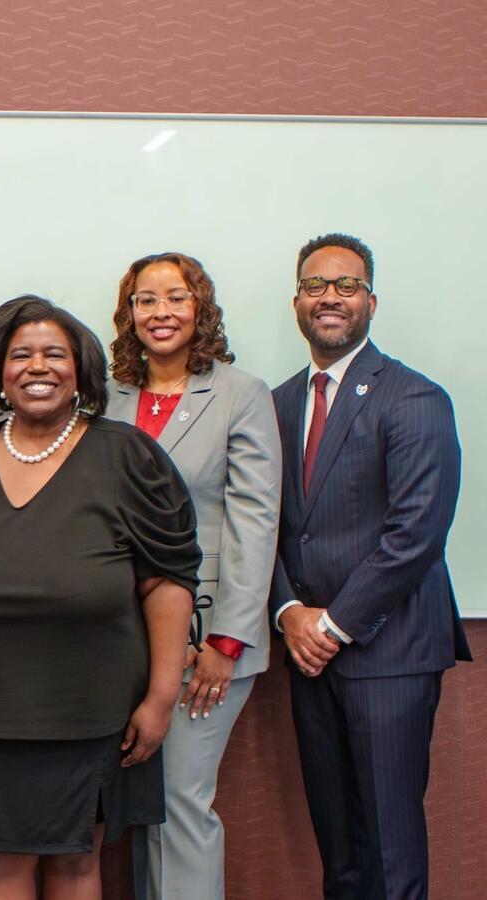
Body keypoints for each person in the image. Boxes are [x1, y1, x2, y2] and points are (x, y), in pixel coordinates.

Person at [0, 295, 199, 899]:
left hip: (88, 713)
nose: (37, 367)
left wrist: (162, 697)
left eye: (53, 354)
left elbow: (166, 582)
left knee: (73, 864)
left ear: (79, 369)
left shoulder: (126, 455)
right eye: (21, 355)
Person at [270, 233, 470, 900]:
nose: (330, 297)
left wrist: (333, 626)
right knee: (340, 849)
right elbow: (262, 526)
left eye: (346, 285)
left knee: (388, 849)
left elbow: (417, 533)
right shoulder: (279, 403)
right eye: (316, 285)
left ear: (371, 301)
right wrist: (289, 611)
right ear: (296, 301)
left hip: (388, 651)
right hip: (303, 653)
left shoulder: (414, 397)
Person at [103, 252, 283, 899]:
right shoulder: (108, 397)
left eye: (175, 298)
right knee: (144, 808)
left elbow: (255, 523)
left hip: (208, 640)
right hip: (121, 634)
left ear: (200, 307)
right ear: (128, 314)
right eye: (145, 300)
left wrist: (227, 643)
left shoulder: (241, 394)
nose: (161, 312)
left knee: (179, 801)